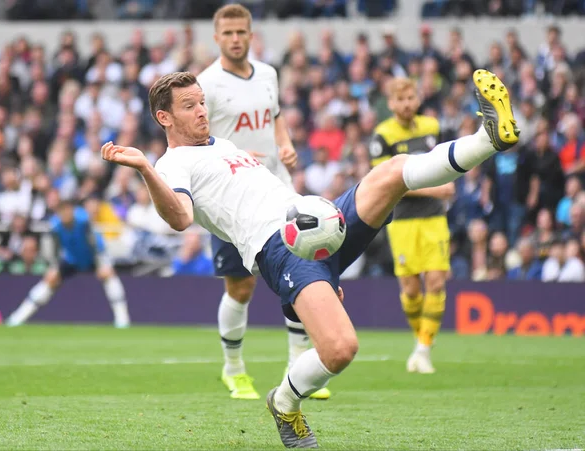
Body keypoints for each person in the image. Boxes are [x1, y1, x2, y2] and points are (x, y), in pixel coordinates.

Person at [101, 69, 519, 448]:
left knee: (392, 172)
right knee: (340, 349)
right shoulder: (172, 163)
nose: (201, 112)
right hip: (282, 248)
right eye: (189, 106)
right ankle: (284, 404)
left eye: (202, 102)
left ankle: (489, 138)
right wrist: (143, 167)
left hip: (319, 221)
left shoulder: (223, 144)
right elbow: (180, 217)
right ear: (164, 118)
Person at [195, 4, 329, 401]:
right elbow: (198, 139)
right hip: (231, 200)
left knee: (300, 275)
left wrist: (285, 146)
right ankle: (233, 368)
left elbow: (276, 116)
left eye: (242, 32)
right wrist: (233, 155)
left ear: (251, 35)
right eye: (228, 33)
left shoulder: (268, 73)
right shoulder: (206, 84)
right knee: (241, 287)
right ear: (216, 37)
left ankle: (298, 363)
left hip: (277, 190)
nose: (236, 39)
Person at [370, 77, 455, 374]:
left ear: (417, 99)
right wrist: (438, 189)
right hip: (402, 219)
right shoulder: (382, 135)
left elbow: (444, 163)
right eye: (400, 99)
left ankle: (423, 349)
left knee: (435, 281)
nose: (406, 104)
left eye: (411, 98)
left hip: (433, 217)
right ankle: (421, 343)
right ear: (391, 103)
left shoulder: (432, 126)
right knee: (411, 288)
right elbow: (388, 181)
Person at [6, 201, 131, 328]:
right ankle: (17, 318)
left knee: (108, 274)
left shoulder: (83, 221)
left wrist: (100, 263)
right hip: (72, 259)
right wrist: (54, 266)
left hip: (92, 257)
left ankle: (122, 320)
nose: (66, 214)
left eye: (69, 210)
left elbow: (94, 243)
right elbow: (55, 248)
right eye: (63, 212)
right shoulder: (55, 225)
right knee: (51, 278)